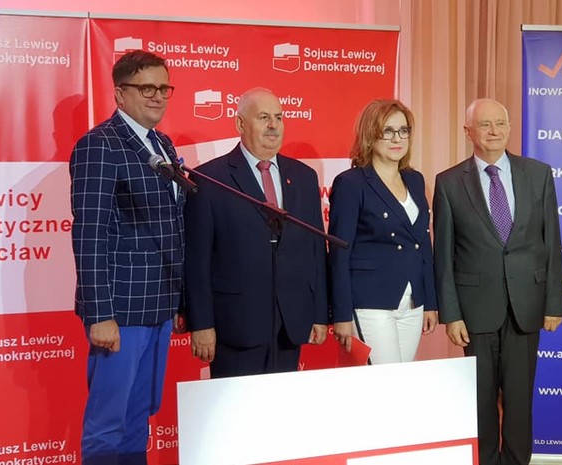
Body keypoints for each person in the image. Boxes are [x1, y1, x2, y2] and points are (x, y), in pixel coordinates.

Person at [433, 98, 562, 465]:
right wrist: (451, 314)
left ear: (509, 128)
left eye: (500, 124)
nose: (494, 131)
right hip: (475, 309)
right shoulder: (448, 183)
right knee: (480, 399)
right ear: (468, 132)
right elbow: (443, 255)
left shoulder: (538, 174)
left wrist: (555, 302)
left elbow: (552, 242)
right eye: (485, 125)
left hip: (527, 305)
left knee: (520, 400)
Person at [69, 50, 185, 465]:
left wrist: (180, 301)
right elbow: (90, 232)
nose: (158, 96)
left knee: (139, 416)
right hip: (120, 311)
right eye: (146, 88)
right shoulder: (99, 145)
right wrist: (100, 313)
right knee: (108, 424)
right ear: (120, 93)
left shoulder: (162, 144)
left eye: (164, 88)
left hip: (160, 304)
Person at [184, 87, 328, 377]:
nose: (273, 125)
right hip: (235, 325)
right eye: (263, 117)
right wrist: (201, 323)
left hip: (290, 322)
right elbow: (197, 260)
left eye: (278, 117)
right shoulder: (209, 179)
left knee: (281, 403)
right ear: (240, 124)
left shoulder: (303, 177)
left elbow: (315, 251)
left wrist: (319, 313)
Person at [327, 99, 438, 363]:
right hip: (370, 301)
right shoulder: (351, 183)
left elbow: (423, 244)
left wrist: (430, 302)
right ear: (370, 134)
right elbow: (339, 254)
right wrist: (341, 314)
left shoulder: (415, 179)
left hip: (412, 301)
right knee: (384, 381)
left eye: (403, 130)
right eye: (388, 131)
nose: (397, 138)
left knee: (401, 381)